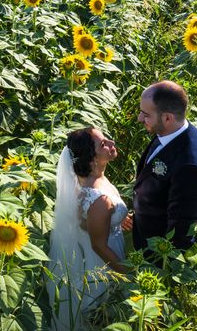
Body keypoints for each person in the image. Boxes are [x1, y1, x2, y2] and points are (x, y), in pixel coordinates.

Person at [47, 127, 132, 330]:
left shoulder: (95, 179)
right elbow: (99, 246)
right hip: (105, 263)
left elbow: (85, 222)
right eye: (103, 144)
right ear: (91, 157)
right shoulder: (97, 198)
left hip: (106, 251)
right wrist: (129, 275)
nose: (111, 143)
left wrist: (115, 219)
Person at [133, 80, 197, 252]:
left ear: (167, 118)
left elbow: (180, 231)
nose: (140, 118)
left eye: (145, 114)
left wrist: (161, 265)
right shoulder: (168, 132)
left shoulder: (190, 168)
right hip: (144, 236)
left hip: (159, 257)